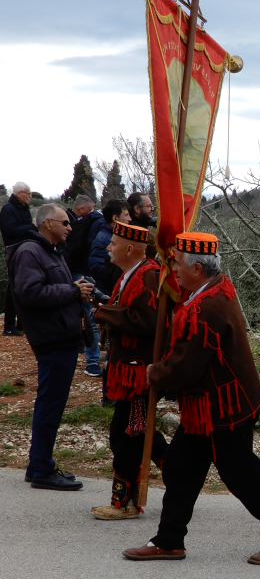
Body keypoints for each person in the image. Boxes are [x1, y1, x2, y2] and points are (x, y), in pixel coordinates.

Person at [123, 232, 260, 564]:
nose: (172, 270)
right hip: (206, 405)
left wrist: (152, 374)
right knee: (179, 466)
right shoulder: (213, 290)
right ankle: (169, 539)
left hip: (223, 407)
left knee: (241, 474)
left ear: (198, 269)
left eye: (176, 264)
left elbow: (186, 366)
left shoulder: (207, 307)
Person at [7, 204, 93, 490]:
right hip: (52, 339)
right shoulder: (30, 252)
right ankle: (42, 468)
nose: (70, 227)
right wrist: (72, 290)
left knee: (52, 402)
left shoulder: (50, 251)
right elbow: (30, 292)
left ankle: (38, 464)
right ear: (47, 224)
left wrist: (75, 287)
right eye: (65, 222)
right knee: (50, 403)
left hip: (61, 337)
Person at [89, 222, 167, 519]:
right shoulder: (131, 275)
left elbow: (146, 321)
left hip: (140, 372)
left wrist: (105, 312)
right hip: (130, 368)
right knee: (136, 433)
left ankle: (124, 503)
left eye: (113, 243)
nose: (108, 247)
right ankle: (181, 477)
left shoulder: (147, 277)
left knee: (126, 436)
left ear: (130, 248)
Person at [65, 195, 103, 377]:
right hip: (85, 273)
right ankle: (93, 360)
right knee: (90, 317)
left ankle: (91, 357)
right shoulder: (97, 223)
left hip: (80, 271)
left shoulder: (81, 223)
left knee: (88, 315)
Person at [1, 181, 35, 335]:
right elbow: (10, 231)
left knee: (26, 285)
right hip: (15, 250)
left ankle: (22, 324)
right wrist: (32, 227)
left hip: (27, 249)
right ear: (19, 193)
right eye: (28, 193)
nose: (30, 196)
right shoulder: (8, 209)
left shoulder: (25, 208)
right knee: (14, 286)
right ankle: (9, 326)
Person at [89, 200, 132, 295]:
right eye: (126, 215)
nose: (130, 219)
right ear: (115, 218)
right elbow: (96, 268)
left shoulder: (118, 236)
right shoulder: (103, 239)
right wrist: (123, 271)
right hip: (109, 292)